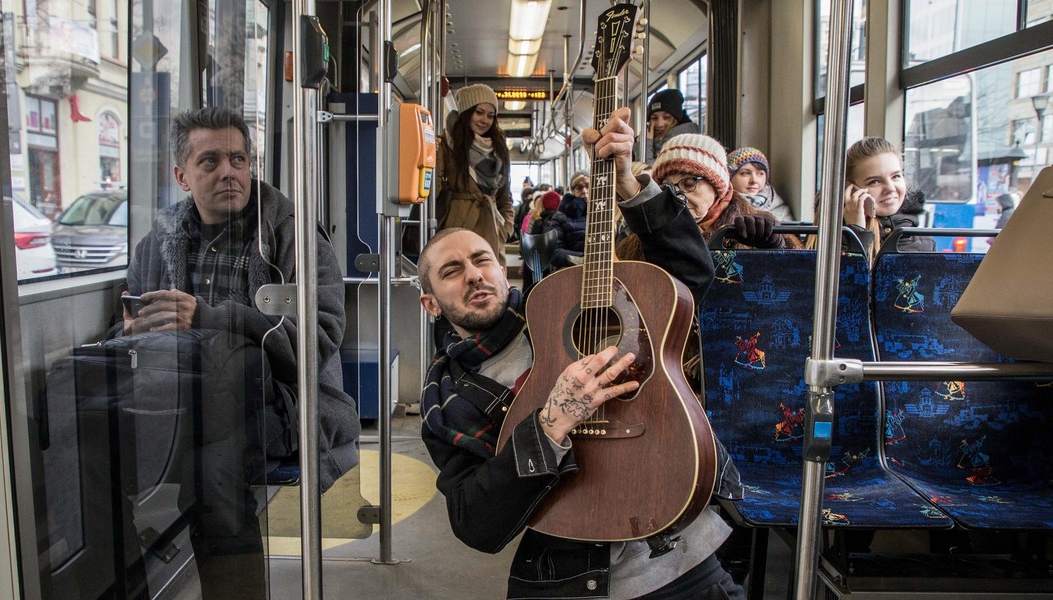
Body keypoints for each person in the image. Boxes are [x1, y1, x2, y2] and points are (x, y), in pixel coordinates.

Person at [416, 106, 746, 600]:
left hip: (679, 549)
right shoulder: (449, 397)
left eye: (482, 259)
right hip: (572, 573)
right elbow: (477, 524)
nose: (474, 275)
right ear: (430, 305)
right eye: (451, 271)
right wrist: (549, 424)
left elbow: (687, 279)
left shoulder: (572, 307)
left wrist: (631, 188)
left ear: (504, 270)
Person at [112, 107, 358, 599]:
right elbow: (126, 323)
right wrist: (136, 331)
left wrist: (210, 317)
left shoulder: (288, 233)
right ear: (182, 176)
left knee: (213, 474)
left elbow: (320, 336)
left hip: (279, 400)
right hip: (177, 400)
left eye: (239, 159)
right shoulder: (157, 244)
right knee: (98, 455)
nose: (230, 171)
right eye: (210, 162)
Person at [620, 133, 800, 259]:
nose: (677, 195)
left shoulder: (754, 228)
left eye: (689, 183)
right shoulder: (642, 238)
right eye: (666, 187)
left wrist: (777, 249)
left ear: (717, 187)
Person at [808, 136, 934, 261]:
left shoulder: (925, 241)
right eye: (874, 182)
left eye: (895, 176)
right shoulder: (831, 240)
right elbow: (849, 279)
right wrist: (856, 232)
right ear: (851, 190)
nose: (890, 188)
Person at [437, 83, 515, 265]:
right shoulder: (447, 144)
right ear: (466, 112)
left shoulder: (499, 148)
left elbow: (505, 196)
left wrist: (505, 229)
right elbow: (434, 189)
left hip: (492, 230)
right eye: (478, 112)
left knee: (490, 286)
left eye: (490, 115)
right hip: (456, 227)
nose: (484, 120)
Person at [726, 146, 794, 221]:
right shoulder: (722, 208)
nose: (754, 180)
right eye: (745, 173)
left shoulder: (781, 211)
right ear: (730, 177)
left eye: (760, 174)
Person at [546, 171, 590, 270]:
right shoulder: (560, 217)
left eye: (588, 186)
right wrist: (584, 259)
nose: (584, 191)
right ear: (572, 191)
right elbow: (554, 252)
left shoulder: (605, 213)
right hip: (571, 269)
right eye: (579, 188)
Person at [644, 89, 700, 163]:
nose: (660, 124)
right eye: (654, 118)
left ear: (676, 118)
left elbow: (649, 170)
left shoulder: (678, 137)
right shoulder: (658, 138)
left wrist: (646, 142)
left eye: (667, 117)